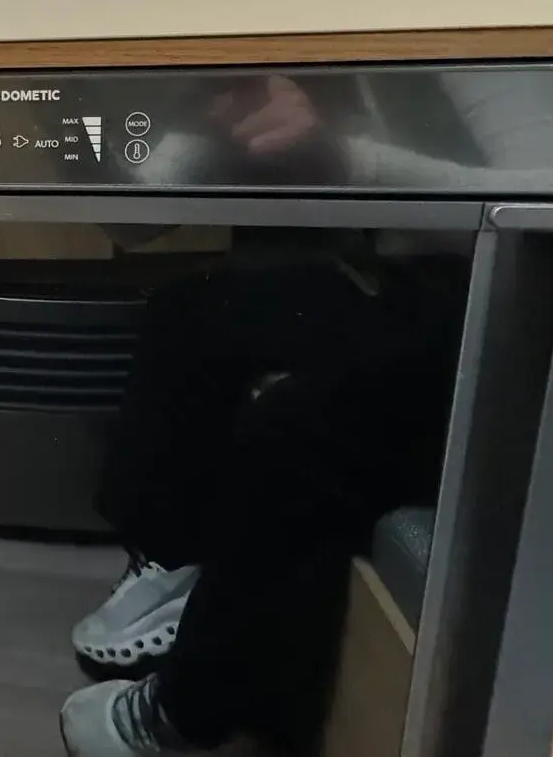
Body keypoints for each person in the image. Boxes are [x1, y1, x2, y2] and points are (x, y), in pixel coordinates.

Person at [59, 249, 466, 756]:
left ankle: (185, 715)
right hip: (446, 275)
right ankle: (176, 563)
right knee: (185, 310)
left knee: (294, 426)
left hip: (518, 321)